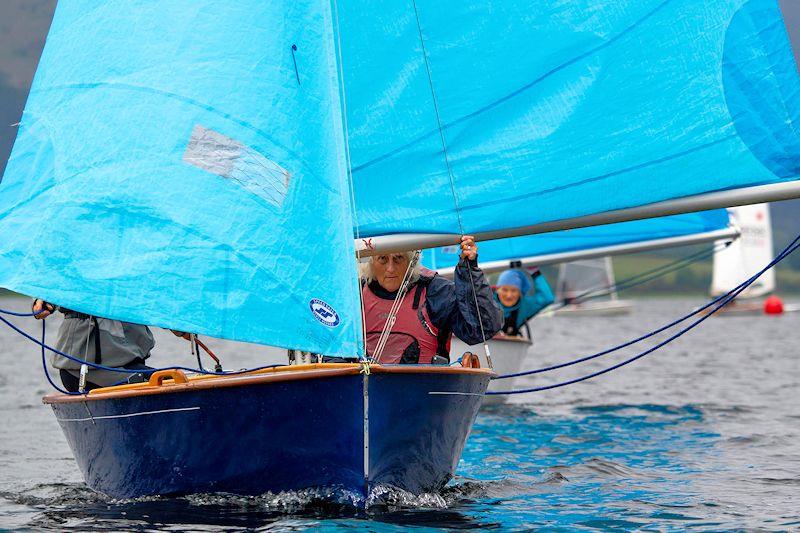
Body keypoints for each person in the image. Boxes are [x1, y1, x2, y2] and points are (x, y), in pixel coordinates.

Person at [360, 235, 502, 364]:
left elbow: (481, 329)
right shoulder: (355, 295)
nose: (390, 268)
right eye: (383, 259)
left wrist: (469, 271)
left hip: (426, 386)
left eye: (398, 258)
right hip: (362, 387)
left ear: (411, 261)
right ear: (371, 263)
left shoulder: (434, 291)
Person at [32, 299, 155, 392]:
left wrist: (171, 321)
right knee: (161, 381)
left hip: (131, 361)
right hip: (82, 371)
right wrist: (43, 299)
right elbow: (57, 273)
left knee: (166, 379)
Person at [494, 268, 554, 337]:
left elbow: (546, 298)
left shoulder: (524, 306)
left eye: (513, 291)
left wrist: (534, 272)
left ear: (520, 293)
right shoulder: (486, 301)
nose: (509, 295)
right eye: (504, 290)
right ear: (497, 290)